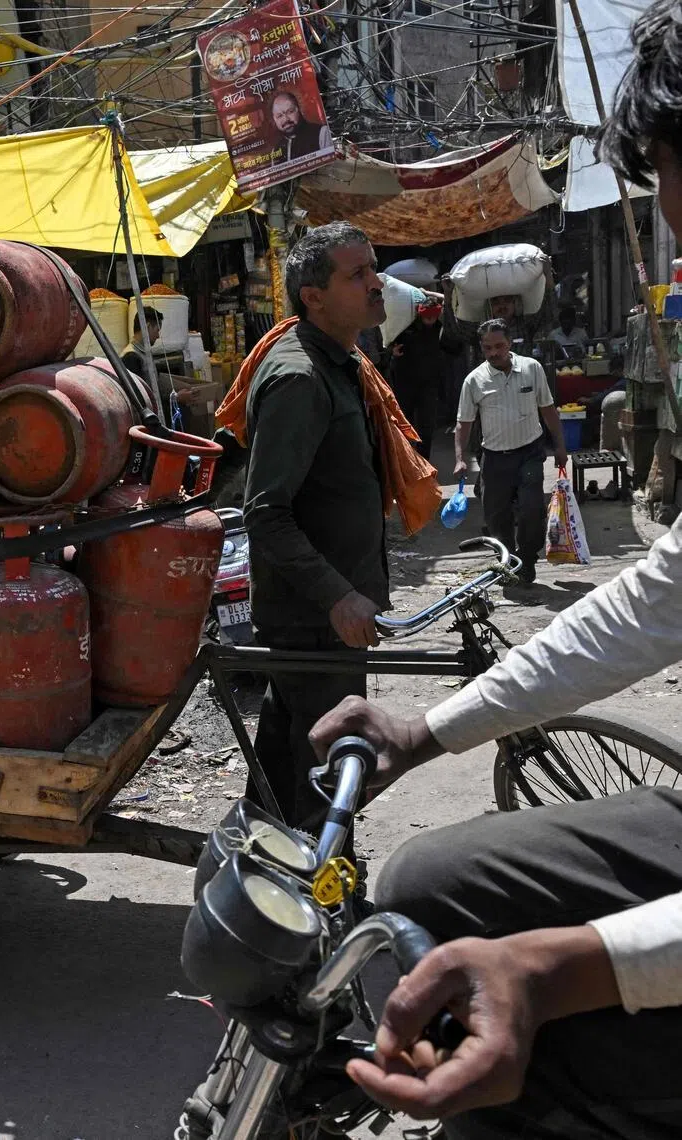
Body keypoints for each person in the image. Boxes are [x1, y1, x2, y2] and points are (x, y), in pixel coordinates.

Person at [307, 6, 682, 1132]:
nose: (670, 216)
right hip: (330, 592)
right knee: (422, 881)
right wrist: (436, 726)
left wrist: (568, 968)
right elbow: (661, 593)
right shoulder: (301, 374)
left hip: (365, 578)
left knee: (513, 1021)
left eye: (671, 176)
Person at [216, 222, 437, 829]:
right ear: (313, 296)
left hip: (329, 618)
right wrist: (337, 595)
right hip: (314, 620)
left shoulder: (343, 362)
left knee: (288, 770)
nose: (376, 285)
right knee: (330, 774)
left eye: (374, 269)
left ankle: (254, 880)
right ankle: (326, 902)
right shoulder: (300, 378)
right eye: (357, 275)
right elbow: (265, 512)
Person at [454, 319, 567, 585]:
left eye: (499, 346)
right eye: (488, 348)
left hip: (529, 452)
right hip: (493, 459)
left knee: (531, 509)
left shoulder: (532, 368)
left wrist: (560, 446)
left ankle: (527, 560)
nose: (494, 353)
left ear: (510, 343)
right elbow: (464, 422)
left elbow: (548, 409)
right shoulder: (474, 380)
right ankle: (508, 561)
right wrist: (460, 458)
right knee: (496, 516)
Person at [386, 298, 463, 460]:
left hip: (429, 385)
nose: (429, 320)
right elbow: (387, 345)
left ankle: (423, 461)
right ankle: (403, 460)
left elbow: (455, 348)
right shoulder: (406, 329)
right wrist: (392, 353)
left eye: (433, 316)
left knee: (426, 427)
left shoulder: (440, 330)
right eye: (426, 316)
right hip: (405, 383)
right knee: (403, 423)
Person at [269, 89, 331, 164]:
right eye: (279, 116)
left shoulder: (322, 133)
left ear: (299, 109)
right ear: (274, 120)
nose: (286, 119)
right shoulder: (276, 150)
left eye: (290, 112)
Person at [121, 306, 163, 378]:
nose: (158, 336)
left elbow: (157, 379)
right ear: (147, 326)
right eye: (157, 330)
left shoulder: (142, 352)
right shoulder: (131, 357)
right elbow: (138, 388)